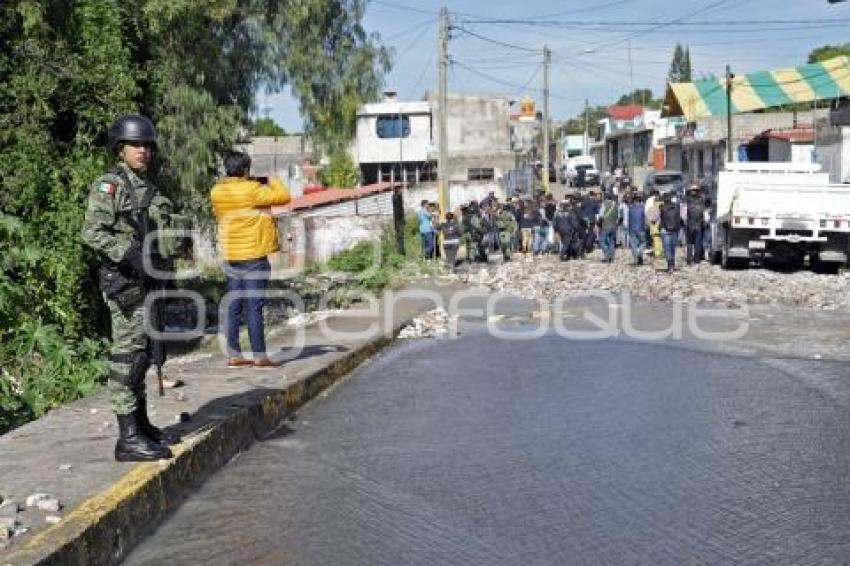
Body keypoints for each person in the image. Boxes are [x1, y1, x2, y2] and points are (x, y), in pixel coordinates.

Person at [82, 114, 191, 461]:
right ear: (120, 148)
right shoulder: (110, 185)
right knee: (127, 356)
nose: (143, 150)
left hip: (149, 282)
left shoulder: (149, 189)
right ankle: (127, 437)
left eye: (147, 145)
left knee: (145, 353)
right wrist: (129, 253)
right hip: (125, 283)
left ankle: (140, 424)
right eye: (136, 145)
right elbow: (92, 232)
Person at [211, 151, 291, 370]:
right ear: (246, 170)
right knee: (254, 307)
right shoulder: (254, 190)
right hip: (254, 255)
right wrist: (271, 179)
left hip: (232, 255)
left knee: (233, 305)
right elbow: (284, 196)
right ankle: (260, 357)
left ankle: (234, 355)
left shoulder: (217, 191)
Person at [660, 192, 682, 272]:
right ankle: (672, 264)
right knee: (672, 248)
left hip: (665, 230)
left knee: (667, 248)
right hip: (675, 230)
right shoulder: (676, 207)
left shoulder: (661, 207)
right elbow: (679, 218)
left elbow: (658, 218)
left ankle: (670, 265)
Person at [685, 185, 706, 265]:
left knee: (689, 243)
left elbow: (683, 214)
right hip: (699, 225)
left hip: (690, 225)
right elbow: (704, 214)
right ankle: (696, 259)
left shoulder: (687, 200)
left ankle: (689, 259)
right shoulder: (702, 201)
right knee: (698, 243)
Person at [597, 192, 619, 263]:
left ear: (605, 198)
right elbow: (618, 216)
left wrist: (599, 222)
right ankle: (611, 257)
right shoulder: (616, 204)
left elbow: (601, 215)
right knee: (612, 241)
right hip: (614, 225)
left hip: (606, 225)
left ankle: (607, 254)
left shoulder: (604, 204)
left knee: (601, 240)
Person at [627, 193, 647, 265]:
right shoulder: (643, 208)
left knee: (633, 244)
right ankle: (640, 253)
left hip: (632, 229)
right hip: (641, 229)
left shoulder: (630, 209)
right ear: (640, 201)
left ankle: (636, 258)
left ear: (634, 201)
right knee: (643, 243)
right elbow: (645, 219)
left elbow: (628, 220)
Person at [391, 184, 405, 255]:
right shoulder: (396, 197)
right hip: (398, 219)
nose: (402, 191)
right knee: (400, 235)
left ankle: (401, 251)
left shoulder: (395, 197)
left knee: (400, 235)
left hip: (399, 218)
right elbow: (399, 206)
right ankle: (400, 251)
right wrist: (400, 195)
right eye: (400, 190)